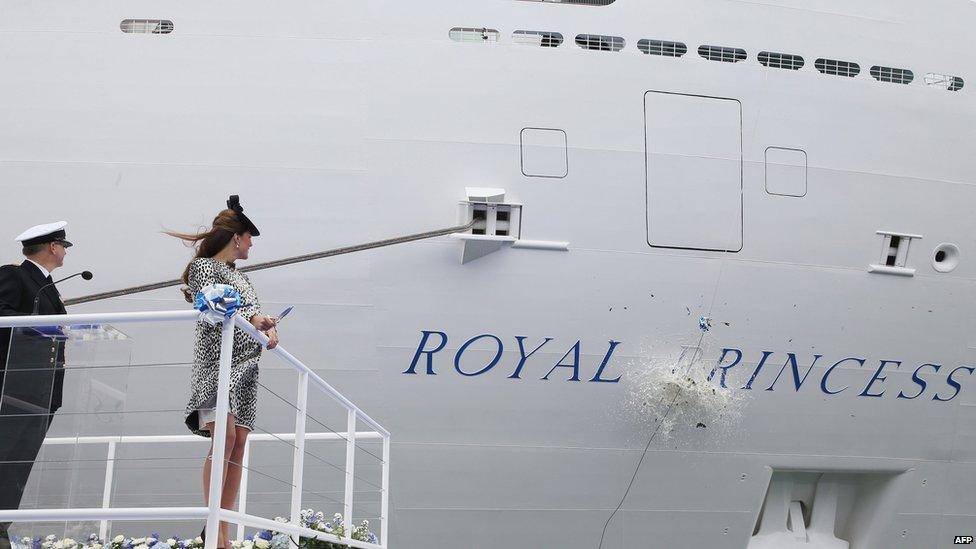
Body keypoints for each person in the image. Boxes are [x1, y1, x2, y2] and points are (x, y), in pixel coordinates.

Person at [167, 196, 278, 549]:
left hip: (246, 367)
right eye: (249, 238)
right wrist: (253, 318)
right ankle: (215, 529)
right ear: (236, 238)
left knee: (240, 443)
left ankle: (224, 527)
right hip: (218, 362)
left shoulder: (241, 275)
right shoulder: (204, 268)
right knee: (224, 439)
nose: (251, 245)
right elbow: (212, 303)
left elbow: (252, 311)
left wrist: (268, 328)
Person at [0, 222, 72, 549]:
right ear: (53, 247)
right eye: (64, 245)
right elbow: (4, 317)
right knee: (4, 455)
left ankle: (2, 524)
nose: (67, 251)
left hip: (42, 393)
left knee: (19, 463)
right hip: (15, 388)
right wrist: (38, 330)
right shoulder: (14, 275)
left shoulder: (47, 287)